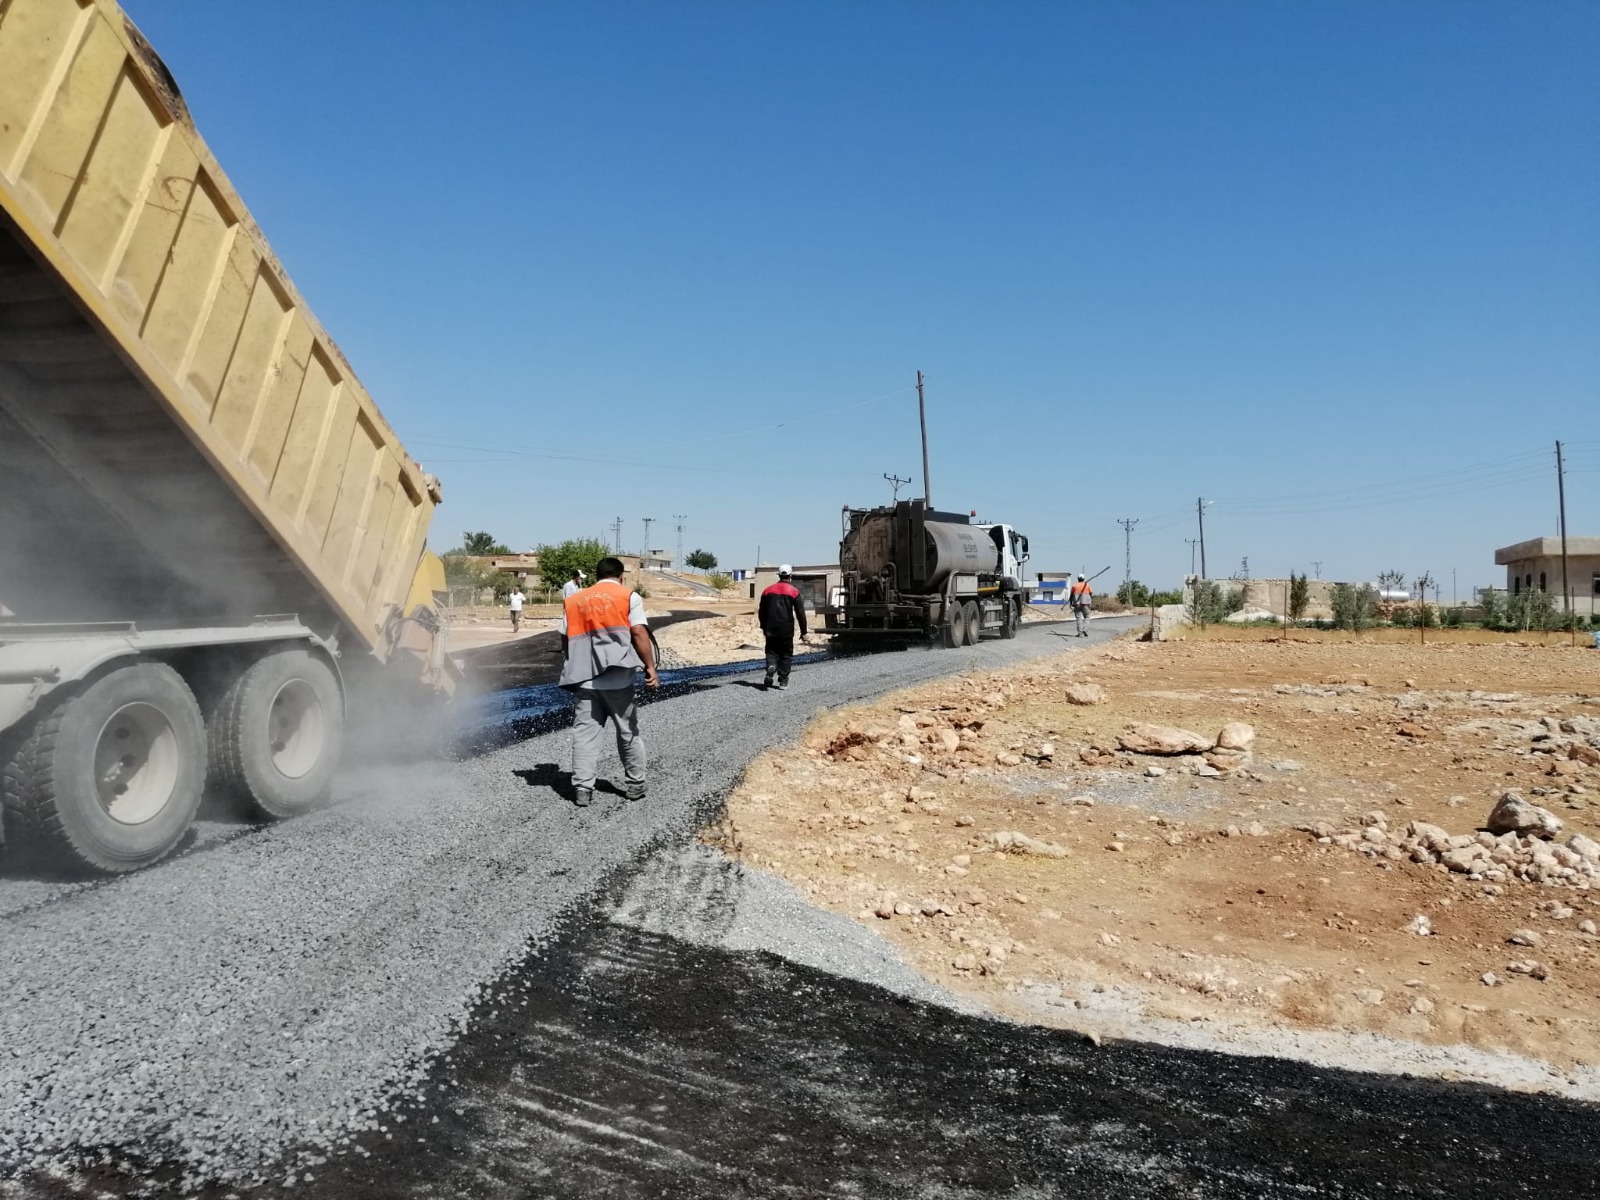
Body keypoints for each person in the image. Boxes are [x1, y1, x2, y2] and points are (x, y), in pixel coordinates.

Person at [558, 557, 658, 807]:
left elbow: (564, 637)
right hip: (618, 680)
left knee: (584, 736)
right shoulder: (628, 597)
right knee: (628, 732)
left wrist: (572, 663)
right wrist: (650, 667)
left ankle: (582, 789)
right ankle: (635, 784)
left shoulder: (574, 600)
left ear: (595, 575)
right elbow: (638, 632)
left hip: (585, 680)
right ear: (621, 575)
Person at [758, 565, 808, 690]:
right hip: (786, 628)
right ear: (790, 576)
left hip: (770, 628)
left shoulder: (767, 590)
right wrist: (804, 632)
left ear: (779, 575)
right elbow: (800, 613)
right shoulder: (794, 591)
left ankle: (772, 666)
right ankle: (783, 680)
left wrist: (763, 626)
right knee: (786, 653)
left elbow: (761, 611)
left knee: (771, 651)